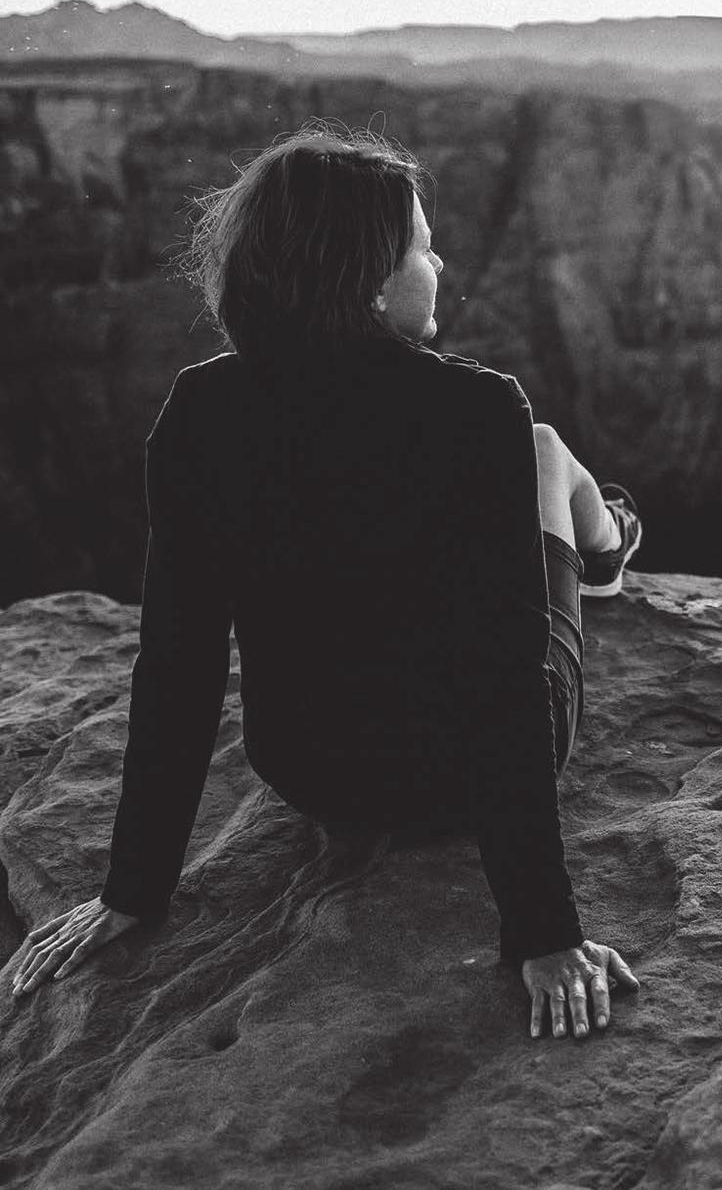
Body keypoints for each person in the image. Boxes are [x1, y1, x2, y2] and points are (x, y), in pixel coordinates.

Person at [10, 126, 642, 1040]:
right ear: (371, 281)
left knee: (533, 452)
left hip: (311, 772)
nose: (441, 260)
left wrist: (133, 891)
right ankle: (612, 541)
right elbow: (506, 689)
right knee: (543, 451)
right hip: (461, 780)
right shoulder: (477, 411)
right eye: (423, 246)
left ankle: (607, 534)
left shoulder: (201, 411)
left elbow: (178, 667)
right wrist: (543, 933)